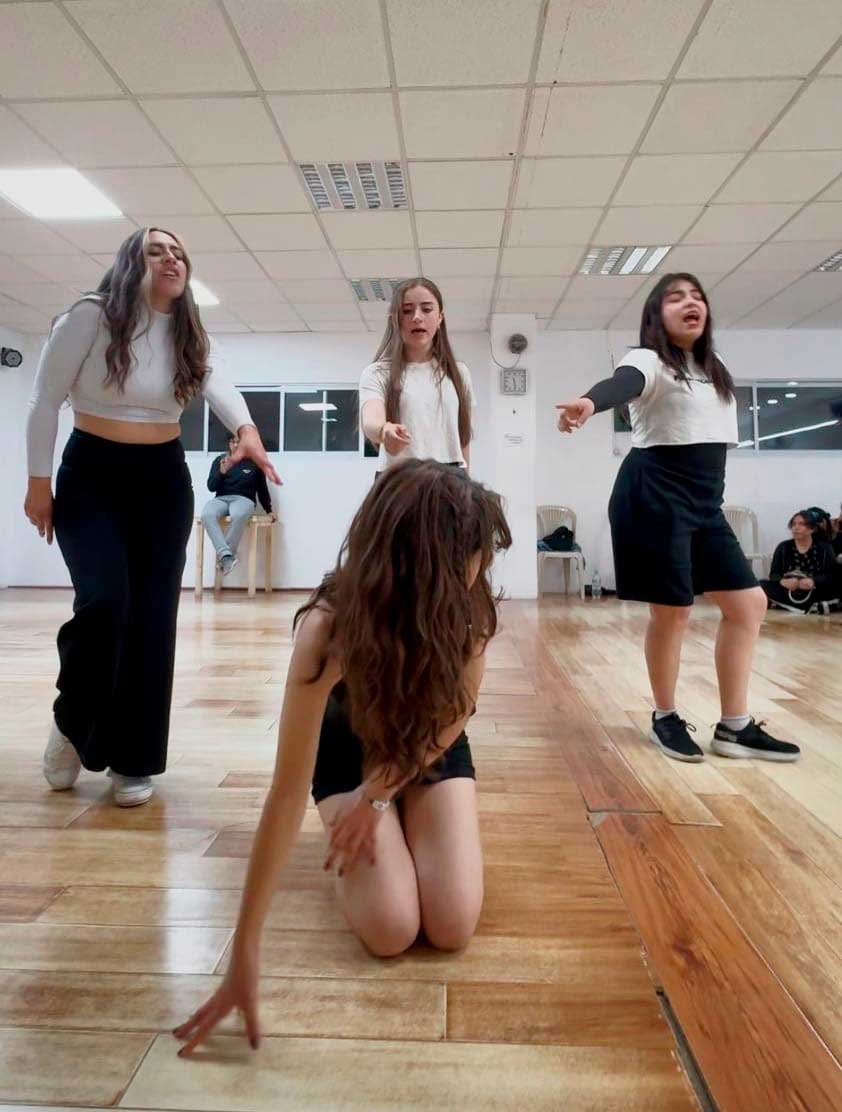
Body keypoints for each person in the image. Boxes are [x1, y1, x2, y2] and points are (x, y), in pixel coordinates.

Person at [173, 460, 511, 1055]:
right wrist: (244, 950)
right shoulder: (328, 629)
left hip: (427, 743)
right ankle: (370, 843)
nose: (478, 570)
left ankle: (400, 820)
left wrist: (378, 797)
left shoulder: (470, 606)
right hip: (348, 753)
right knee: (390, 928)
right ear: (417, 562)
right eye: (467, 557)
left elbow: (454, 716)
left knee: (452, 923)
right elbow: (285, 792)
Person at [24, 227, 281, 807]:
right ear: (130, 264)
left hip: (162, 480)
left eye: (179, 252)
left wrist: (246, 429)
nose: (171, 258)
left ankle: (133, 760)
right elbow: (44, 400)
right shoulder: (90, 316)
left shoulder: (189, 330)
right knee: (105, 603)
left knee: (152, 618)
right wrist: (38, 482)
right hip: (91, 475)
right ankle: (72, 719)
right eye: (156, 250)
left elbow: (217, 382)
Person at [555, 272, 799, 764]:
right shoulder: (648, 360)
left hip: (705, 502)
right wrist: (589, 403)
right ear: (655, 315)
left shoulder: (715, 368)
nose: (690, 303)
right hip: (654, 496)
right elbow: (622, 384)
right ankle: (665, 717)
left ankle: (734, 727)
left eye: (696, 296)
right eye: (675, 297)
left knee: (749, 604)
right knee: (673, 611)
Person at [359, 278, 474, 471]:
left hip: (450, 475)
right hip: (399, 475)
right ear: (394, 320)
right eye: (407, 311)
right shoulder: (378, 373)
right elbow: (371, 419)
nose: (417, 317)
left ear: (440, 318)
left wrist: (467, 483)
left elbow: (462, 438)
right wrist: (384, 430)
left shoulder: (458, 373)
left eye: (427, 309)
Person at [201, 434, 275, 575]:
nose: (235, 445)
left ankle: (226, 556)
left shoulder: (255, 462)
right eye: (232, 441)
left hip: (243, 499)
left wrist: (269, 510)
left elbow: (262, 488)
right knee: (207, 514)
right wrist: (221, 472)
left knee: (238, 514)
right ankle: (226, 556)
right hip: (221, 498)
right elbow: (211, 486)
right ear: (229, 443)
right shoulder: (220, 460)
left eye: (239, 442)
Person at [761, 510, 839, 614]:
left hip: (815, 590)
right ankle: (814, 606)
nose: (796, 528)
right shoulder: (783, 547)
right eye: (793, 524)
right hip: (790, 590)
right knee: (761, 584)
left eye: (801, 524)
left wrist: (813, 581)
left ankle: (786, 604)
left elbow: (830, 576)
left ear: (811, 529)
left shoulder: (825, 548)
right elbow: (774, 574)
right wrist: (783, 582)